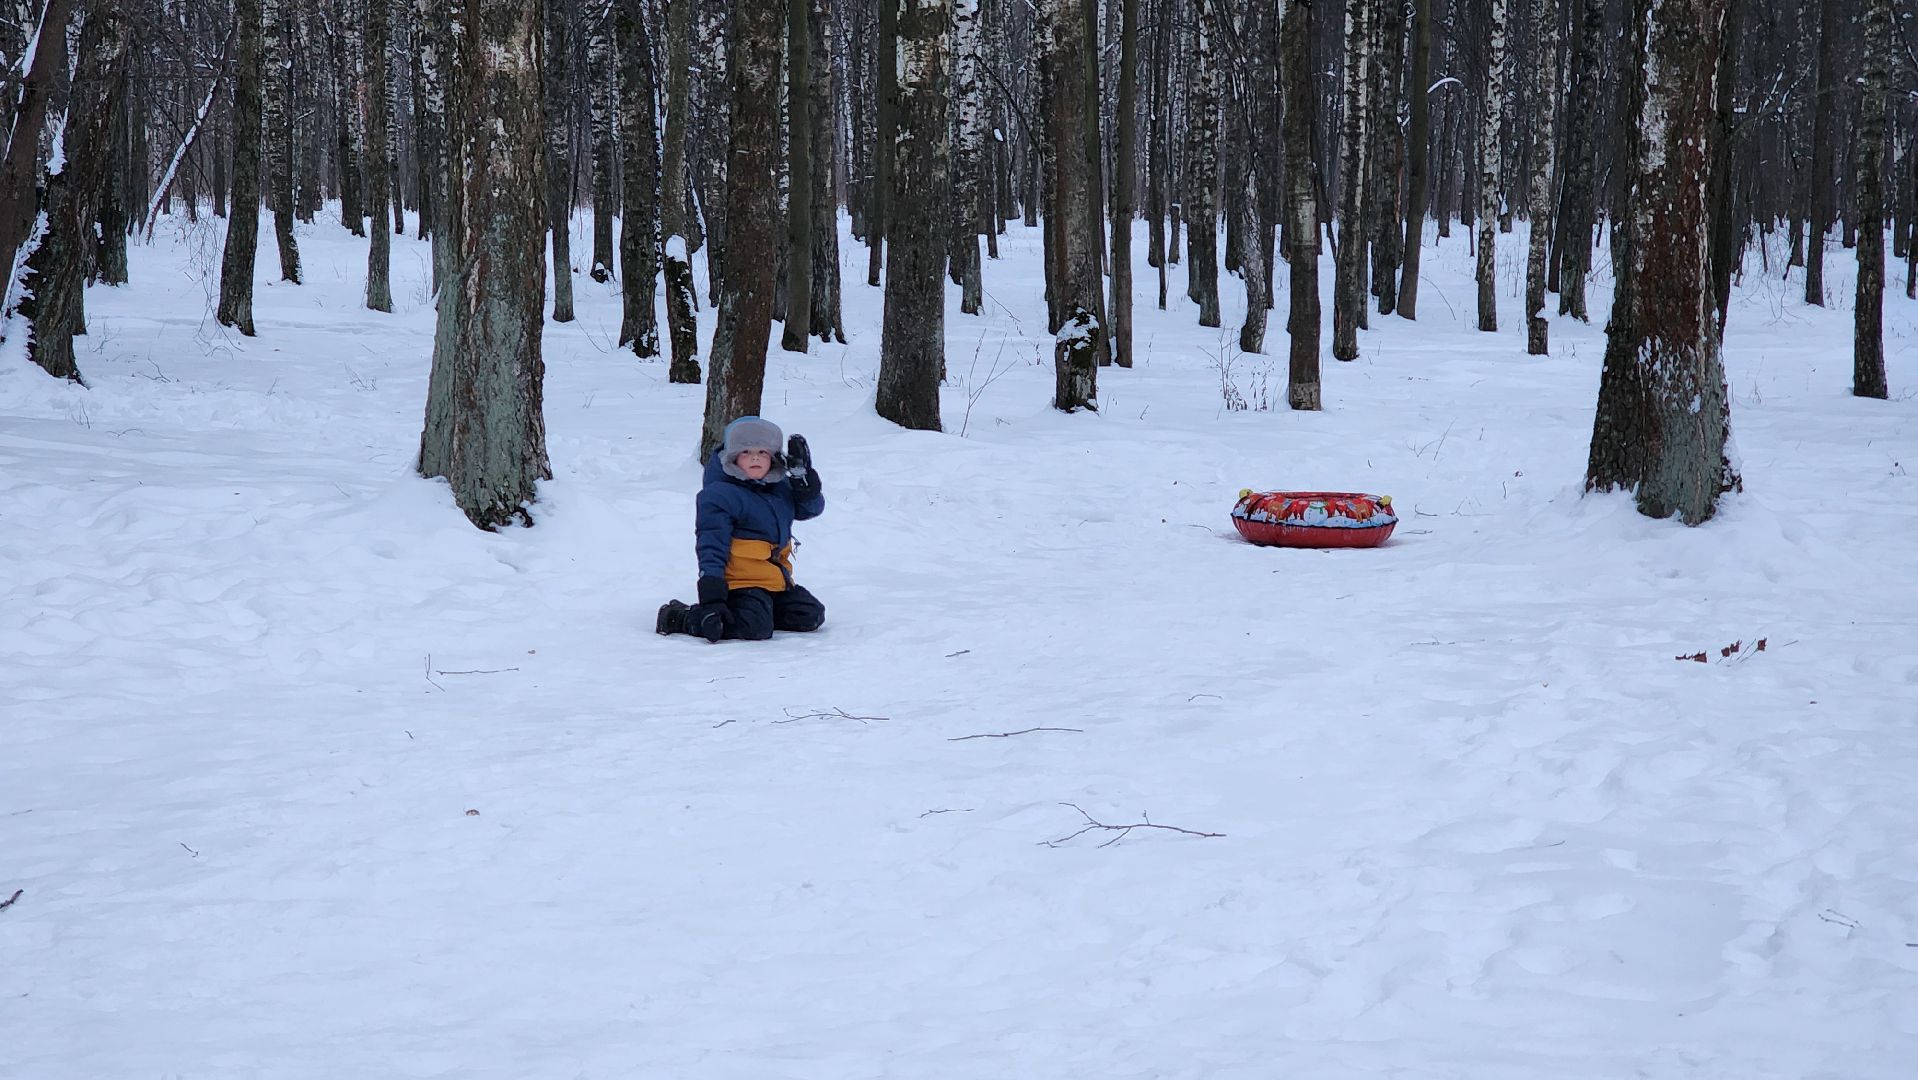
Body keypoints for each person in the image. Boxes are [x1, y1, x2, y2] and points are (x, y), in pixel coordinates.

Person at [657, 416, 826, 642]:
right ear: (733, 457)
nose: (755, 457)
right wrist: (712, 596)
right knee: (755, 627)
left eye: (762, 452)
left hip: (774, 581)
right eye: (746, 452)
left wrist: (803, 484)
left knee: (809, 615)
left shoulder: (779, 487)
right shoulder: (720, 495)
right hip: (740, 582)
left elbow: (809, 511)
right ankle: (684, 617)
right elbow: (711, 545)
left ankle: (759, 610)